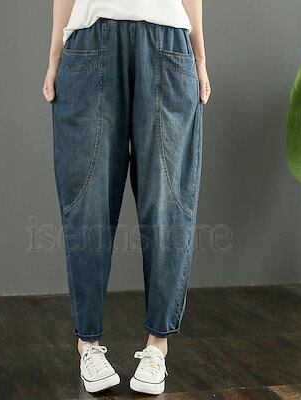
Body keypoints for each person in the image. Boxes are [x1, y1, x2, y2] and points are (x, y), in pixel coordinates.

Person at [43, 0, 211, 395]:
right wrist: (54, 55)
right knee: (88, 200)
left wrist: (200, 57)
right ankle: (88, 344)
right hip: (90, 40)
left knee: (168, 201)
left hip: (168, 39)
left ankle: (157, 346)